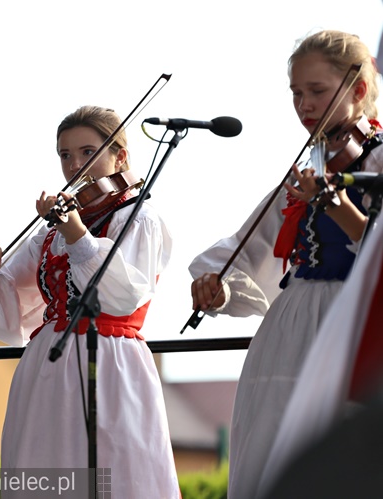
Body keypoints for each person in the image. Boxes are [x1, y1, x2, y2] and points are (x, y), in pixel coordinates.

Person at [0, 105, 180, 497]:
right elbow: (7, 291)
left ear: (119, 156)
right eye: (65, 155)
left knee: (113, 468)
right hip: (48, 364)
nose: (74, 165)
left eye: (88, 152)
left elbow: (123, 294)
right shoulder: (52, 231)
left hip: (109, 359)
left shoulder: (137, 217)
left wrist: (76, 232)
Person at [188, 29, 381, 499]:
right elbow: (249, 245)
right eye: (296, 93)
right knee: (273, 448)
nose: (304, 104)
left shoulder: (374, 158)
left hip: (350, 321)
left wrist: (337, 205)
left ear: (358, 90)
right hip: (289, 328)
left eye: (317, 91)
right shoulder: (312, 164)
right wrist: (223, 287)